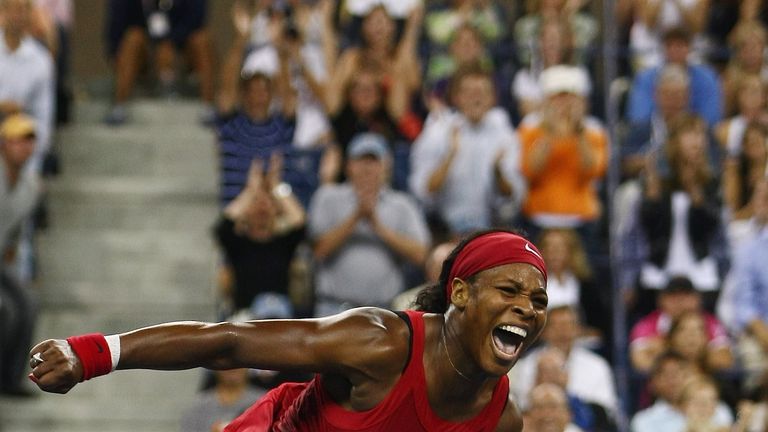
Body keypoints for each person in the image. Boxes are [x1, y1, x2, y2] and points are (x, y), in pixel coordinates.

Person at [29, 229, 549, 431]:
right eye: (510, 291)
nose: (527, 307)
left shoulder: (503, 418)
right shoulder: (381, 341)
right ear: (460, 293)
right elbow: (229, 341)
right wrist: (91, 353)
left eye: (538, 299)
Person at [308, 132, 430, 316]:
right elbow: (318, 250)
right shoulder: (328, 197)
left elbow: (421, 255)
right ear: (348, 165)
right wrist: (356, 216)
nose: (367, 168)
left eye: (373, 161)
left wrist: (378, 227)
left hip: (384, 312)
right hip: (333, 309)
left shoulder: (402, 204)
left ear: (385, 166)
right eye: (360, 161)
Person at [409, 63, 526, 236]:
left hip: (491, 229)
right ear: (456, 97)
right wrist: (450, 156)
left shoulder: (505, 135)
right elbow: (421, 192)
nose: (476, 99)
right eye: (469, 92)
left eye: (482, 93)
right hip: (443, 229)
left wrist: (498, 172)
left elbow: (513, 198)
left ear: (493, 98)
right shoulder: (437, 131)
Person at [214, 152, 306, 316]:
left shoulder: (284, 243)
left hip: (280, 315)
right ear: (247, 209)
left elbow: (300, 222)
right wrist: (250, 191)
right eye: (256, 201)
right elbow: (225, 224)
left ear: (276, 209)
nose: (262, 206)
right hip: (245, 318)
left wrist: (276, 186)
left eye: (268, 201)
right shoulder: (237, 244)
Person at [0, 113, 41, 395]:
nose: (23, 148)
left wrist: (12, 250)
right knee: (6, 311)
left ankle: (11, 378)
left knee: (28, 304)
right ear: (4, 144)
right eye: (17, 141)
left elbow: (16, 229)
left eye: (28, 141)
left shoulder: (32, 186)